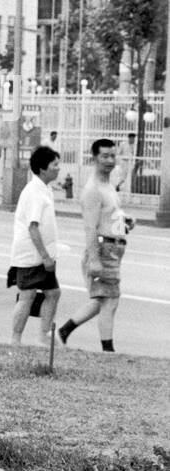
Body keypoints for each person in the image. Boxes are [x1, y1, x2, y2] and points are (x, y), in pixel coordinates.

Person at [58, 138, 132, 352]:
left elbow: (109, 218)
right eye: (104, 156)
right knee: (110, 300)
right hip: (103, 250)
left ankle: (63, 332)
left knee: (102, 299)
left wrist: (125, 222)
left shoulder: (107, 185)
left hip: (113, 248)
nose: (110, 160)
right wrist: (94, 259)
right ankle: (108, 351)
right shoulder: (92, 190)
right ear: (94, 159)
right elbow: (90, 228)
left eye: (112, 155)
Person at [8, 146, 61, 347]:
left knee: (53, 293)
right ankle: (15, 340)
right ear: (42, 168)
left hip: (43, 256)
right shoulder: (34, 192)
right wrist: (45, 256)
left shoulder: (45, 189)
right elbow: (33, 227)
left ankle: (44, 336)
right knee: (27, 296)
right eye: (55, 164)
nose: (58, 168)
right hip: (30, 256)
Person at [115, 132, 136, 203]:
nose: (133, 140)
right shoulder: (123, 144)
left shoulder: (134, 145)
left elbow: (134, 154)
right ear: (129, 138)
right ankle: (118, 186)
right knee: (123, 176)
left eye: (134, 138)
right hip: (124, 162)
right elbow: (118, 152)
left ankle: (128, 190)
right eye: (132, 138)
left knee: (130, 176)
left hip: (131, 162)